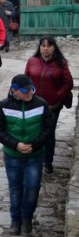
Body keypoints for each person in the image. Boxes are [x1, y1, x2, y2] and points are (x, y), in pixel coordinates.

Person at [0, 74, 54, 236]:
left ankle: (27, 218)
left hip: (35, 155)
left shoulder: (41, 104)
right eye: (24, 91)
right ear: (14, 91)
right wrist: (16, 145)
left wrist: (34, 145)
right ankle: (15, 220)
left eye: (30, 89)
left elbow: (49, 128)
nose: (29, 94)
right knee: (15, 189)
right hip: (13, 156)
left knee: (32, 188)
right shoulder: (4, 106)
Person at [24, 36, 74, 174]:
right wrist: (27, 95)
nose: (45, 48)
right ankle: (33, 160)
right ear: (39, 47)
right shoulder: (32, 61)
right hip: (33, 104)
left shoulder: (61, 63)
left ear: (54, 48)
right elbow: (26, 79)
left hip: (52, 106)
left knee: (48, 134)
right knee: (33, 132)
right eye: (43, 45)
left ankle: (47, 162)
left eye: (49, 45)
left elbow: (68, 83)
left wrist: (57, 96)